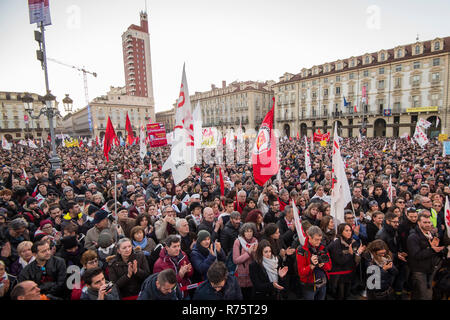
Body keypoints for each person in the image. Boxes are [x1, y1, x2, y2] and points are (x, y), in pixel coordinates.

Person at [407, 213, 446, 300]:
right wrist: (432, 249)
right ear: (419, 223)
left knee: (421, 293)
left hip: (430, 268)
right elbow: (416, 255)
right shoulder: (413, 237)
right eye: (425, 222)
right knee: (425, 295)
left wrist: (439, 249)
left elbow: (433, 250)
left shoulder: (431, 234)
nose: (428, 224)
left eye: (429, 222)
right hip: (419, 270)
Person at [327, 223, 365, 300]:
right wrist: (350, 254)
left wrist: (358, 253)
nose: (349, 232)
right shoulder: (336, 244)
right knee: (340, 296)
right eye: (346, 230)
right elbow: (340, 261)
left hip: (349, 274)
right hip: (338, 276)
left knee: (347, 296)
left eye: (350, 230)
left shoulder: (353, 242)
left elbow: (355, 262)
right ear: (341, 232)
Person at [296, 226, 332, 300]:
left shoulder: (322, 247)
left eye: (320, 239)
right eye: (316, 240)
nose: (319, 242)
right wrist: (311, 265)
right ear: (309, 237)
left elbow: (329, 267)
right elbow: (301, 273)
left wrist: (323, 265)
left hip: (323, 283)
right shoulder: (302, 250)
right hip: (309, 285)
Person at [232, 222, 258, 299]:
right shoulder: (238, 241)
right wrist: (248, 253)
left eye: (251, 231)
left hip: (253, 275)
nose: (249, 233)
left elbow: (257, 259)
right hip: (241, 275)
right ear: (243, 232)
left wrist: (254, 253)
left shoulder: (255, 241)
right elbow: (236, 260)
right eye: (247, 231)